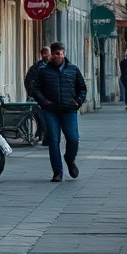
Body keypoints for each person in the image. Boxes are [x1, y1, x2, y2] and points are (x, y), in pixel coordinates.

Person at [30, 41, 87, 183]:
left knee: (73, 138)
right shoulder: (44, 71)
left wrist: (78, 101)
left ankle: (70, 158)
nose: (59, 56)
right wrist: (44, 101)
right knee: (54, 140)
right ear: (52, 54)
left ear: (64, 53)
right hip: (50, 110)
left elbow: (82, 88)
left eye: (61, 54)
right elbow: (35, 88)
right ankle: (57, 172)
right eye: (56, 54)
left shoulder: (73, 69)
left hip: (69, 109)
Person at [23, 46, 51, 142]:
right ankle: (45, 135)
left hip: (47, 98)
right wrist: (32, 94)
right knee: (42, 117)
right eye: (44, 53)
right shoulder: (38, 67)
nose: (46, 55)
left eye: (47, 53)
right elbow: (28, 81)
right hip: (39, 98)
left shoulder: (52, 67)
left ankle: (42, 134)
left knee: (44, 118)